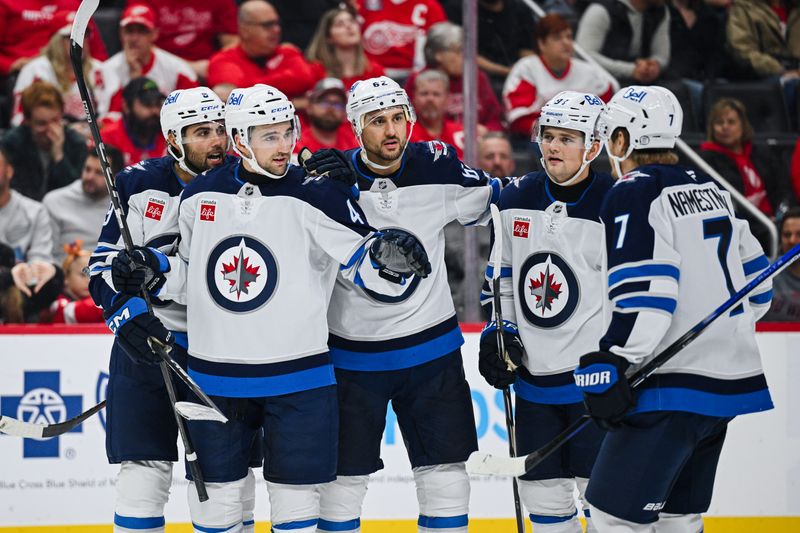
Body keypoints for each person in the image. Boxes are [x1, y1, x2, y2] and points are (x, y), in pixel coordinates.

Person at [109, 84, 430, 533]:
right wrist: (152, 269)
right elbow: (187, 276)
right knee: (215, 507)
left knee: (296, 507)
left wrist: (392, 265)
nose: (284, 146)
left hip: (298, 379)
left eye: (287, 132)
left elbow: (364, 270)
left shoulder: (319, 194)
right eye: (269, 136)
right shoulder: (199, 194)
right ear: (241, 140)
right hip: (215, 379)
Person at [304, 76, 505, 533]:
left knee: (446, 473)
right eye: (377, 122)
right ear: (356, 128)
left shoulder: (437, 167)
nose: (391, 131)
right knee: (342, 480)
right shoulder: (331, 183)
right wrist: (311, 185)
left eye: (398, 118)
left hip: (431, 352)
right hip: (351, 356)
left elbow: (502, 200)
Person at [574, 85, 774, 531]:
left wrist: (613, 359)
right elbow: (759, 293)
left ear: (622, 139)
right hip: (725, 390)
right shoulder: (711, 189)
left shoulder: (632, 192)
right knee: (678, 517)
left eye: (610, 137)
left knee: (612, 515)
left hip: (670, 388)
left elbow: (647, 294)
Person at [87, 87, 260, 533]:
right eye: (202, 132)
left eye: (221, 129)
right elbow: (101, 269)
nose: (217, 140)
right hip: (147, 346)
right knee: (143, 473)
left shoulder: (249, 183)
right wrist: (125, 315)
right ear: (173, 141)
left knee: (227, 479)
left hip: (221, 350)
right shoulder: (136, 183)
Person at [478, 91, 612, 533]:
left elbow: (627, 295)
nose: (553, 147)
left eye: (567, 138)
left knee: (605, 504)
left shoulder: (615, 203)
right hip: (533, 384)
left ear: (593, 145)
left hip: (594, 384)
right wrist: (500, 332)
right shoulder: (517, 196)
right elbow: (502, 279)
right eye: (548, 136)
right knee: (545, 502)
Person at [503, 14, 614, 137]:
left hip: (585, 138)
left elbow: (607, 111)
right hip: (539, 140)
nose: (566, 43)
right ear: (541, 43)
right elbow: (519, 120)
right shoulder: (526, 69)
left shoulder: (589, 72)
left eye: (569, 37)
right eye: (557, 38)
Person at [207, 0, 321, 102]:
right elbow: (236, 96)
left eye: (277, 23)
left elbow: (304, 78)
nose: (277, 30)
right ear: (245, 30)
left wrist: (252, 86)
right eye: (268, 25)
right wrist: (294, 101)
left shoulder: (287, 52)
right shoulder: (223, 60)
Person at [700, 98, 795, 220]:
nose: (725, 127)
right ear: (712, 128)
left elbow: (783, 188)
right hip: (743, 224)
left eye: (731, 122)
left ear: (743, 125)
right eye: (719, 123)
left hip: (776, 220)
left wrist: (782, 215)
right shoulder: (706, 160)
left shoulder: (761, 152)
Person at [95, 3, 197, 116]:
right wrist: (135, 80)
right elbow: (110, 117)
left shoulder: (178, 69)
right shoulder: (108, 69)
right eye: (130, 31)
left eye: (142, 31)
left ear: (154, 34)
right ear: (121, 33)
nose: (134, 38)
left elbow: (194, 110)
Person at [405, 22, 505, 131]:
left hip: (477, 143)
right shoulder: (420, 81)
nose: (465, 57)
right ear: (438, 55)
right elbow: (406, 121)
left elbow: (495, 119)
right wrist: (456, 130)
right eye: (458, 51)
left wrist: (487, 131)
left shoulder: (476, 78)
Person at [11, 11, 102, 127]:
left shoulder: (100, 70)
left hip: (95, 138)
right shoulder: (35, 71)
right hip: (48, 139)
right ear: (55, 41)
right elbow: (19, 119)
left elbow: (115, 114)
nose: (80, 41)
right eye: (71, 37)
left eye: (84, 35)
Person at [2, 80, 89, 202]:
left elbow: (76, 196)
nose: (50, 129)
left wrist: (59, 157)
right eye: (41, 124)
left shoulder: (76, 144)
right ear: (27, 121)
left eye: (55, 120)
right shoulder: (11, 144)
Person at [43, 144, 124, 263]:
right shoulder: (54, 201)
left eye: (99, 173)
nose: (90, 177)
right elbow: (46, 254)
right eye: (87, 169)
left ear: (115, 178)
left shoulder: (123, 207)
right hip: (64, 275)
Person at [135, 0, 240, 78]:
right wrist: (186, 67)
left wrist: (216, 64)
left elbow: (232, 43)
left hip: (207, 69)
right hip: (159, 67)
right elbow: (135, 41)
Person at [575, 0, 670, 85]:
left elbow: (661, 54)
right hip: (603, 81)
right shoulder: (600, 10)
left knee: (676, 90)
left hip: (643, 80)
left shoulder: (660, 11)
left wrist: (654, 65)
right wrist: (631, 70)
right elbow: (584, 55)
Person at [357, 0, 447, 78]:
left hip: (414, 77)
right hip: (371, 75)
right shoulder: (365, 3)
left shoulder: (429, 6)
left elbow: (441, 45)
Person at [306, 6, 386, 91]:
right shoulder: (316, 71)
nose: (349, 26)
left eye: (352, 21)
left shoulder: (374, 70)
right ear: (328, 37)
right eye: (340, 24)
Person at [100, 77, 167, 166]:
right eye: (147, 104)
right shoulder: (107, 139)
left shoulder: (169, 136)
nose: (155, 110)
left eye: (158, 104)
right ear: (126, 106)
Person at [408, 69, 467, 157]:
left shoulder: (461, 133)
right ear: (414, 98)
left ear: (447, 99)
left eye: (436, 94)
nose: (430, 99)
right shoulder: (404, 134)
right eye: (424, 94)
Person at [43, 241, 104, 324]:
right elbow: (80, 312)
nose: (89, 280)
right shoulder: (58, 305)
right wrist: (107, 299)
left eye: (92, 276)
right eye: (82, 275)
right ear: (66, 278)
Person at [294, 78, 357, 155]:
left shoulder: (355, 145)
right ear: (309, 107)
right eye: (324, 102)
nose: (331, 108)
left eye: (338, 104)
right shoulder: (296, 145)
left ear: (345, 112)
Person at [764, 207, 800, 321]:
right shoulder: (765, 270)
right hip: (766, 337)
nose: (792, 240)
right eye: (787, 235)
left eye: (799, 234)